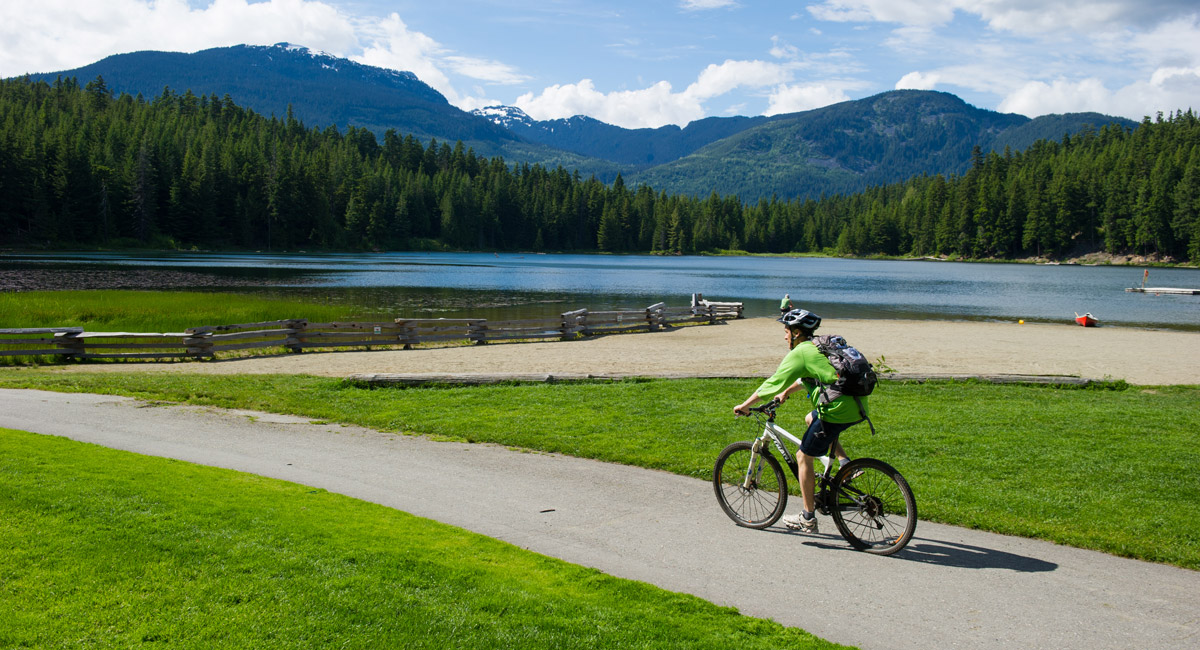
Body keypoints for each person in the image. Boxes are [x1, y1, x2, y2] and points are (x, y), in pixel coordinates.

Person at [733, 308, 867, 533]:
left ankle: (807, 517)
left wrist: (745, 405)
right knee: (809, 417)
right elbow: (819, 376)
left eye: (786, 331)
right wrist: (786, 393)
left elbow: (773, 382)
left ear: (796, 332)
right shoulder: (819, 348)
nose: (785, 336)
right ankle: (846, 466)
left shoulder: (801, 352)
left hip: (837, 409)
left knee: (803, 456)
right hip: (857, 406)